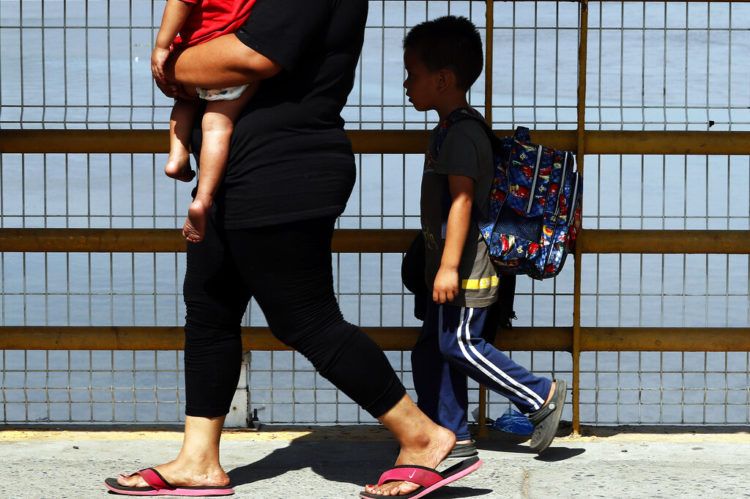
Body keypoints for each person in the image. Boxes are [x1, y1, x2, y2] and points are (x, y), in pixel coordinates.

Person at [105, 2, 481, 498]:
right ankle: (198, 460)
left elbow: (251, 57)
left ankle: (423, 436)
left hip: (283, 167)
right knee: (210, 307)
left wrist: (170, 62)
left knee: (306, 318)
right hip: (237, 173)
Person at [403, 15, 568, 456]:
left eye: (412, 74)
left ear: (443, 79)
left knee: (460, 344)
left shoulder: (461, 135)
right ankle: (452, 436)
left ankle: (539, 396)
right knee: (431, 351)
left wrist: (449, 268)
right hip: (449, 264)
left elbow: (461, 204)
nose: (405, 84)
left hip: (466, 267)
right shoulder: (450, 130)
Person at [152, 0, 257, 243]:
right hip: (230, 58)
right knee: (218, 125)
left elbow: (180, 3)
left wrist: (161, 45)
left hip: (194, 55)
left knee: (185, 101)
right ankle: (203, 198)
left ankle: (177, 156)